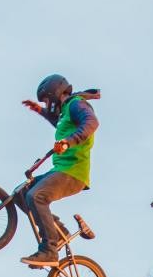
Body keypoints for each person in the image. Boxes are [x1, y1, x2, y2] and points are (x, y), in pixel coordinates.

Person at [18, 74, 99, 267]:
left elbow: (91, 123)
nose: (47, 104)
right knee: (23, 193)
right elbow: (61, 124)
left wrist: (68, 142)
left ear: (54, 94)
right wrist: (40, 111)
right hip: (62, 169)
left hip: (73, 172)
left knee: (36, 196)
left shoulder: (76, 104)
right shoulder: (65, 113)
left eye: (46, 100)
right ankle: (59, 232)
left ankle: (49, 250)